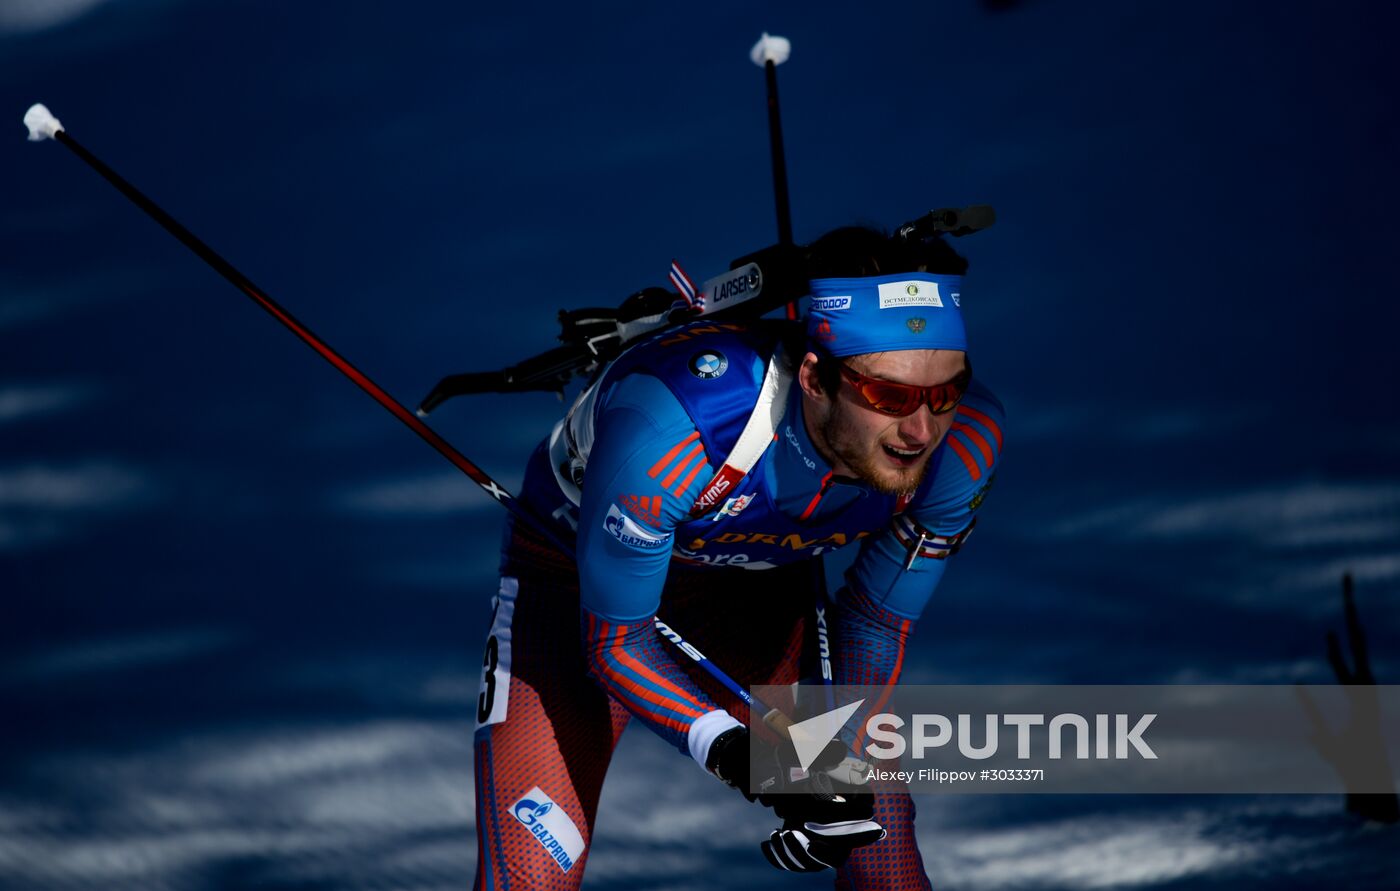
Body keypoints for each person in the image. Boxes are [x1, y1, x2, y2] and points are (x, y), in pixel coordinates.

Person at [471, 225, 1006, 889]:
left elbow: (875, 621)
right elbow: (615, 645)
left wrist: (831, 764)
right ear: (814, 377)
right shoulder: (678, 424)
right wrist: (758, 762)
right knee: (528, 876)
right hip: (576, 586)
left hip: (756, 598)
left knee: (881, 854)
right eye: (888, 396)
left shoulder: (965, 447)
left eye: (944, 393)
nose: (922, 429)